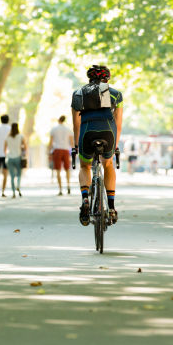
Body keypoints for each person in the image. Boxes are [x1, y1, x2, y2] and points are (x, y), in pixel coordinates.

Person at [71, 65, 124, 226]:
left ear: (89, 79)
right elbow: (118, 123)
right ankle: (112, 207)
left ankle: (85, 199)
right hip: (109, 133)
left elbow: (76, 123)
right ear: (107, 79)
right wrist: (115, 145)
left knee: (85, 166)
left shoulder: (78, 93)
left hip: (87, 132)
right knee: (108, 165)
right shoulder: (115, 94)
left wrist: (76, 144)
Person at [48, 115, 74, 195]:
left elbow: (51, 142)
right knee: (67, 169)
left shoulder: (54, 129)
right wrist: (72, 150)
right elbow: (72, 142)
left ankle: (60, 189)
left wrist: (49, 151)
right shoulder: (68, 130)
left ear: (58, 120)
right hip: (66, 150)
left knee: (58, 170)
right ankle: (68, 186)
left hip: (57, 150)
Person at [4, 123, 27, 199]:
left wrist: (6, 155)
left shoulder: (7, 137)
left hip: (10, 158)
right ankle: (18, 186)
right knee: (19, 174)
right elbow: (25, 147)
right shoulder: (21, 136)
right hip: (18, 157)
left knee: (12, 176)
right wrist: (24, 154)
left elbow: (5, 148)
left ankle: (13, 192)